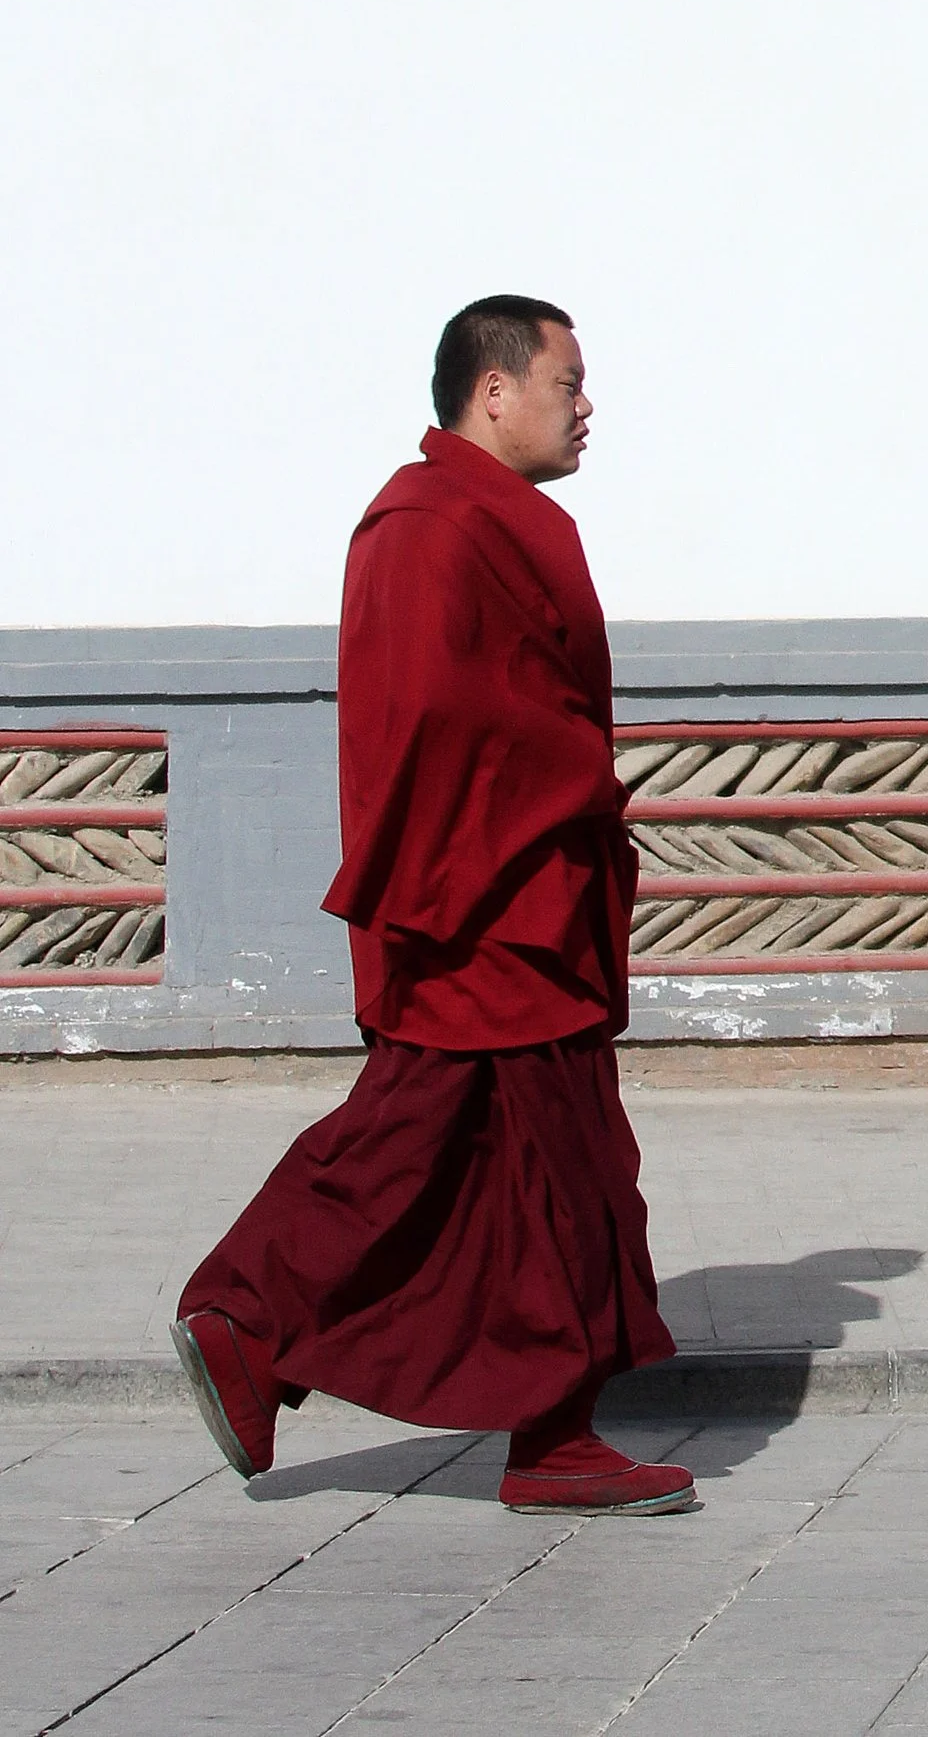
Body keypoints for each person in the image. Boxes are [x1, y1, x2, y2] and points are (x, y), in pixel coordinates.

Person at [171, 297, 692, 1517]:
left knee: (551, 1168)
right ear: (493, 390)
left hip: (526, 894)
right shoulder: (423, 524)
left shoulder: (496, 517)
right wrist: (559, 782)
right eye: (568, 381)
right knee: (410, 1137)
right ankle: (244, 1311)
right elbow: (426, 719)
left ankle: (549, 1429)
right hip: (476, 901)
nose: (586, 405)